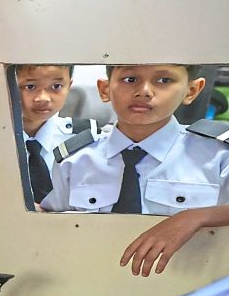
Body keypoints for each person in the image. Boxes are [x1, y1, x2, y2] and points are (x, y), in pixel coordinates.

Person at [42, 64, 228, 214]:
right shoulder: (75, 160)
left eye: (164, 80)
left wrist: (195, 219)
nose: (144, 91)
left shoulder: (218, 158)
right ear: (105, 89)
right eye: (130, 79)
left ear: (192, 90)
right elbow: (55, 228)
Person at [0, 64, 106, 202]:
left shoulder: (87, 137)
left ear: (69, 86)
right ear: (6, 86)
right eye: (30, 87)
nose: (43, 98)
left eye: (56, 86)